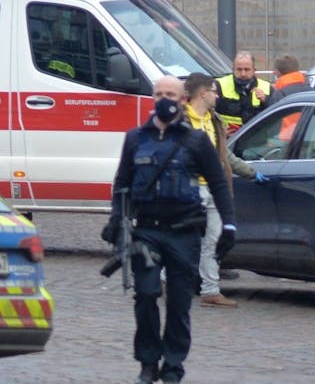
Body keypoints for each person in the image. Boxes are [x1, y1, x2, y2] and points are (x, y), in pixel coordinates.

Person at [102, 85, 237, 384]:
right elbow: (122, 182)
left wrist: (229, 225)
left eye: (171, 95)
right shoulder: (135, 139)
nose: (165, 100)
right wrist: (116, 217)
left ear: (183, 100)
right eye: (160, 94)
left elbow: (217, 183)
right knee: (147, 294)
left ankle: (173, 367)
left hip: (184, 232)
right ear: (153, 98)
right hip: (146, 231)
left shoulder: (196, 141)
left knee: (178, 303)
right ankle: (148, 362)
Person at [184, 73, 255, 307]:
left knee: (213, 240)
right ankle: (166, 279)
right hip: (189, 188)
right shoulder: (181, 120)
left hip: (214, 188)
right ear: (203, 93)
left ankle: (210, 290)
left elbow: (226, 156)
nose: (217, 96)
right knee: (182, 239)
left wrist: (250, 172)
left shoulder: (214, 120)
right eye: (214, 91)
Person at [214, 52, 271, 133]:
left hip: (257, 139)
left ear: (254, 70)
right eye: (239, 69)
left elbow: (275, 115)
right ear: (233, 69)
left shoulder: (267, 88)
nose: (243, 74)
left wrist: (265, 100)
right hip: (228, 139)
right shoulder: (219, 85)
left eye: (247, 69)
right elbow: (209, 113)